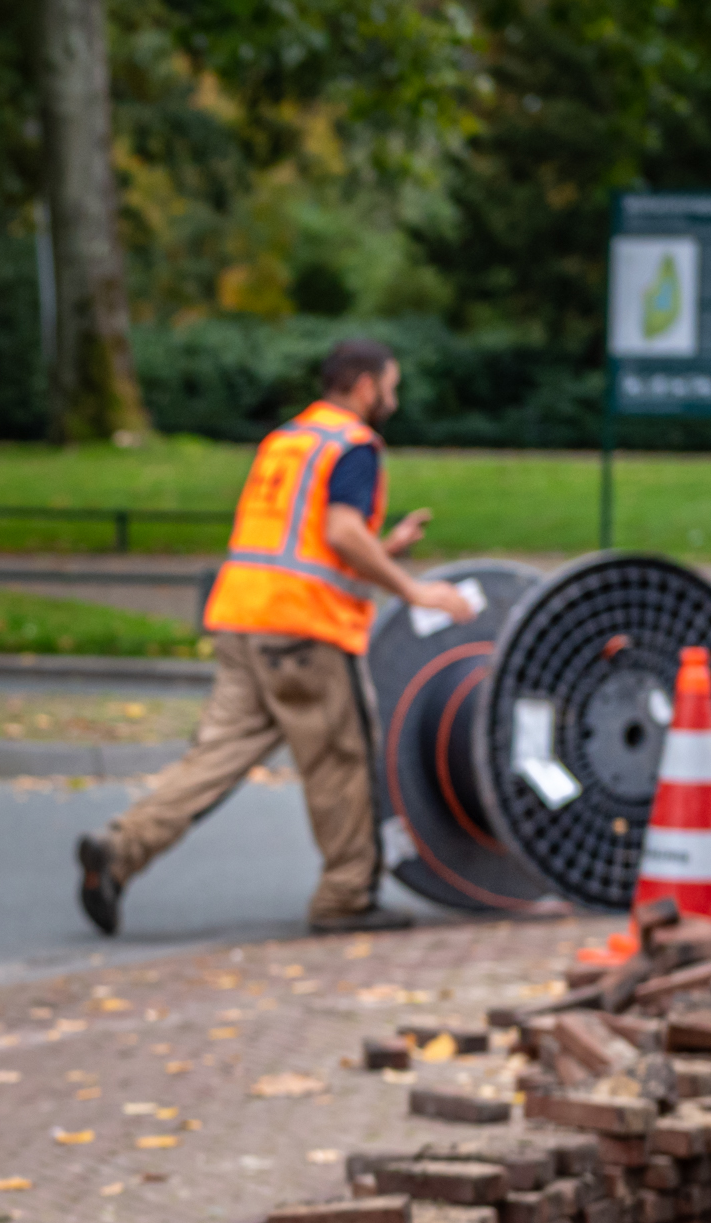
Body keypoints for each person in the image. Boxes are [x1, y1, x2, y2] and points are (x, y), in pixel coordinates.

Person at [75, 338, 476, 935]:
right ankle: (346, 896)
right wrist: (412, 589)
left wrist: (382, 550)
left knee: (218, 756)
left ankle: (120, 848)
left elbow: (300, 539)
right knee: (342, 758)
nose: (392, 397)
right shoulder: (355, 446)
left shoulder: (287, 441)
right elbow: (340, 534)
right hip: (303, 631)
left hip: (243, 620)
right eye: (389, 385)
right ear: (365, 386)